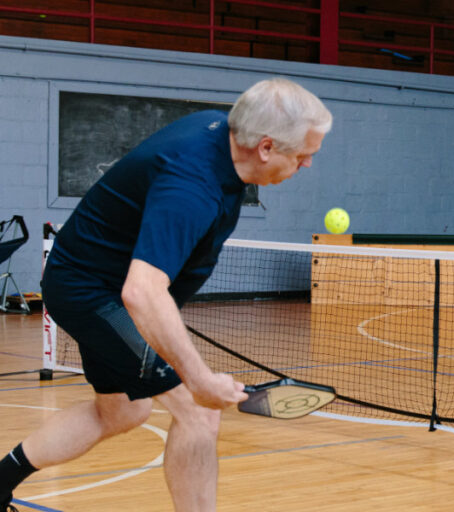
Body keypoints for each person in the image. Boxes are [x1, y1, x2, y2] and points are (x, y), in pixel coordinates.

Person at [0, 77, 333, 512]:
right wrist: (198, 381)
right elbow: (142, 291)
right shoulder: (191, 186)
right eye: (303, 154)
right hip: (95, 292)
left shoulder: (221, 131)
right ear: (266, 147)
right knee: (198, 411)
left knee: (121, 412)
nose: (307, 164)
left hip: (91, 281)